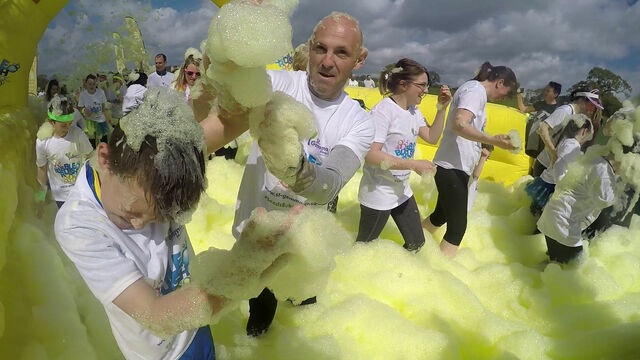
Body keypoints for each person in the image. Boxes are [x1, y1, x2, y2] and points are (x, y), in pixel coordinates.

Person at [55, 88, 294, 360]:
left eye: (162, 217)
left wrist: (229, 77)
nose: (141, 224)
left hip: (195, 315)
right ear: (105, 158)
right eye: (131, 212)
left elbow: (238, 119)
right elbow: (157, 317)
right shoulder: (79, 225)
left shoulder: (163, 161)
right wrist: (242, 274)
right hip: (162, 352)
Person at [221, 11, 372, 336]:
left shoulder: (358, 121)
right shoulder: (277, 84)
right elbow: (227, 78)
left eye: (341, 52)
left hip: (304, 242)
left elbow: (328, 185)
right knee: (258, 314)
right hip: (255, 232)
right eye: (320, 48)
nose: (327, 61)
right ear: (310, 48)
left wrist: (293, 167)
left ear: (359, 60)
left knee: (305, 311)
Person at [421, 61, 518, 257]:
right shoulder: (475, 92)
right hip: (451, 168)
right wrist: (492, 139)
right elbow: (459, 124)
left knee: (440, 217)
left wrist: (485, 142)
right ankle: (435, 274)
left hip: (454, 166)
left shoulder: (474, 91)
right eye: (506, 93)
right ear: (499, 82)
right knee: (457, 229)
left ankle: (410, 244)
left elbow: (466, 128)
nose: (503, 99)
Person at [356, 58, 451, 251]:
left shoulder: (414, 112)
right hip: (378, 193)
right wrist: (413, 165)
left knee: (417, 243)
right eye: (422, 85)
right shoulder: (383, 112)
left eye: (427, 85)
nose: (426, 90)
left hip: (401, 191)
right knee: (363, 249)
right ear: (403, 84)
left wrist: (442, 109)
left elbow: (432, 137)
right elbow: (371, 155)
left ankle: (398, 276)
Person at [537, 150, 618, 264]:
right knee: (573, 270)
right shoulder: (604, 170)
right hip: (564, 225)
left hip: (552, 216)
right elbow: (606, 201)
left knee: (555, 264)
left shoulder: (592, 157)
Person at [526, 116, 594, 216]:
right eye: (588, 136)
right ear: (584, 131)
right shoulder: (574, 145)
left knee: (534, 213)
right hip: (551, 185)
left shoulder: (566, 141)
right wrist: (562, 187)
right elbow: (559, 166)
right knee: (539, 215)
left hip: (546, 181)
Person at [36, 95, 93, 208]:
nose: (67, 128)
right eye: (63, 125)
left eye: (70, 123)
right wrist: (40, 198)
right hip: (60, 196)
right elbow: (41, 170)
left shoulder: (78, 134)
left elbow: (90, 158)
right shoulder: (43, 142)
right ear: (51, 122)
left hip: (81, 192)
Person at [531, 88, 603, 177]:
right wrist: (554, 154)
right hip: (544, 165)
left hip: (554, 168)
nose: (592, 110)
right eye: (591, 105)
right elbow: (542, 129)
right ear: (581, 100)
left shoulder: (576, 116)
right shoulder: (565, 110)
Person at [518, 81, 562, 162]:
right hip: (530, 143)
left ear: (555, 94)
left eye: (548, 91)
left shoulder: (558, 111)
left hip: (541, 150)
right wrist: (519, 96)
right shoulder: (540, 104)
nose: (545, 92)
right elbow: (524, 109)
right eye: (545, 90)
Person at [78, 74, 110, 147]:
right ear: (86, 84)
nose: (92, 86)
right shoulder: (83, 94)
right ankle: (93, 156)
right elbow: (80, 107)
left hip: (101, 120)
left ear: (96, 83)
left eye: (94, 84)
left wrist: (106, 117)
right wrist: (84, 110)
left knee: (104, 142)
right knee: (92, 143)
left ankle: (105, 156)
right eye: (89, 84)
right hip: (90, 122)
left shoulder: (101, 92)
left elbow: (103, 106)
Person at [467, 143, 494, 212]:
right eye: (488, 155)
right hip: (465, 207)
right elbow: (476, 175)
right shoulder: (474, 163)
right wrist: (483, 157)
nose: (488, 157)